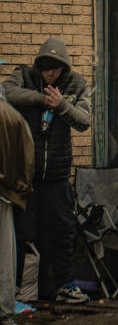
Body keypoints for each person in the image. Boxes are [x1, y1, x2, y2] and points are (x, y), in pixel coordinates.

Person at [2, 38, 90, 304]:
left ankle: (64, 285)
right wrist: (43, 100)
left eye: (54, 69)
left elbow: (84, 121)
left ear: (63, 67)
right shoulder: (25, 76)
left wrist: (61, 105)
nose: (48, 74)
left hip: (57, 176)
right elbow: (9, 93)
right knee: (20, 234)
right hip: (26, 177)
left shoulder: (76, 84)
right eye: (44, 68)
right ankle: (13, 290)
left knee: (64, 231)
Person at [1, 87, 34, 325]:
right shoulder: (14, 116)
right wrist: (19, 190)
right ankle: (4, 310)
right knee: (5, 256)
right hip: (7, 195)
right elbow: (27, 159)